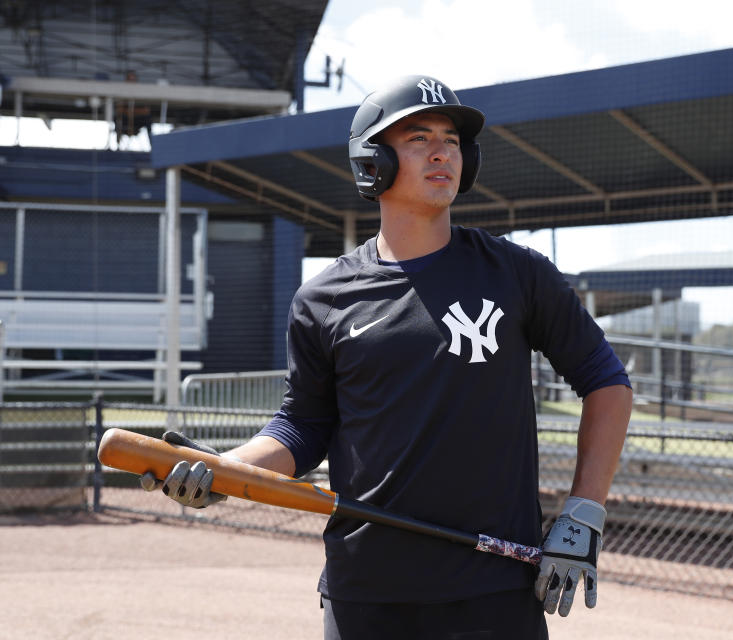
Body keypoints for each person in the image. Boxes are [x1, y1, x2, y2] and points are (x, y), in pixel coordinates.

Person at [144, 75, 632, 639]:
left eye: (451, 139)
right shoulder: (322, 299)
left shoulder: (517, 273)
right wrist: (225, 471)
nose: (441, 151)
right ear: (372, 161)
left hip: (495, 586)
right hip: (367, 593)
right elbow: (302, 428)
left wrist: (583, 513)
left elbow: (607, 383)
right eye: (418, 137)